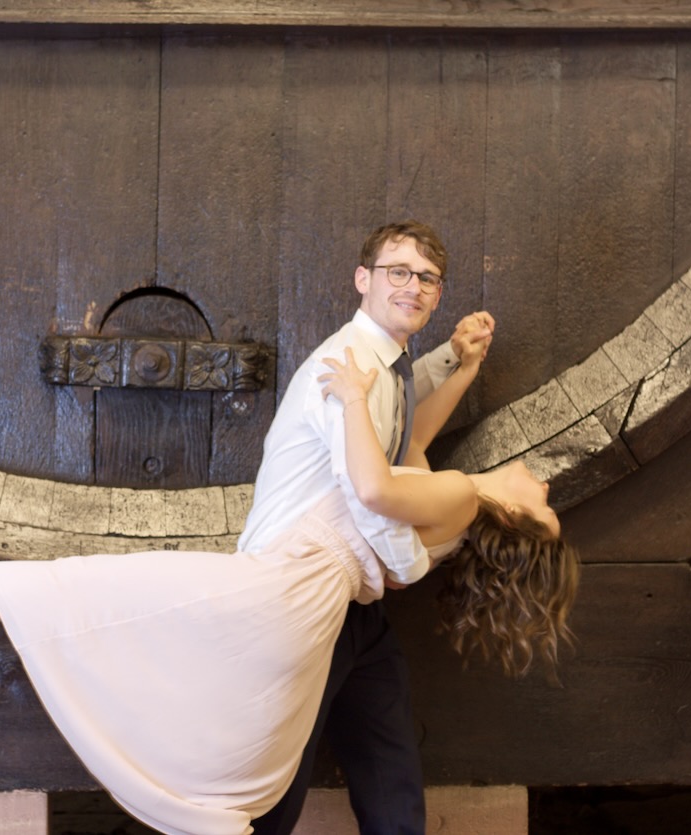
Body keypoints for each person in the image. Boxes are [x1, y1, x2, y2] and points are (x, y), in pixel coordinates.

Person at [0, 346, 579, 835]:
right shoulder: (451, 503)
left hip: (284, 594)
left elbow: (376, 483)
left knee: (80, 593)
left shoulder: (462, 498)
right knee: (85, 599)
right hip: (299, 604)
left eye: (545, 507)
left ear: (515, 518)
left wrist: (348, 397)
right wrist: (458, 367)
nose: (545, 486)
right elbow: (412, 448)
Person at [239, 220, 494, 835]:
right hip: (298, 600)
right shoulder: (344, 368)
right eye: (398, 271)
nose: (413, 287)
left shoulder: (384, 366)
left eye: (427, 278)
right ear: (363, 279)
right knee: (275, 794)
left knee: (391, 774)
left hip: (353, 601)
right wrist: (410, 566)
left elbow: (406, 430)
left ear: (438, 293)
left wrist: (457, 363)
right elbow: (367, 493)